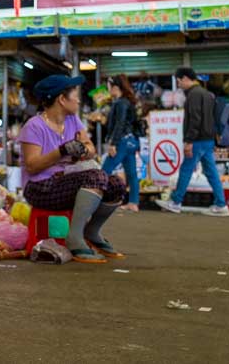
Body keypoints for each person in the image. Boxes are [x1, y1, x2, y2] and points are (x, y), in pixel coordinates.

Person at [19, 75, 126, 264]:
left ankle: (91, 232)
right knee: (96, 177)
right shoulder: (34, 126)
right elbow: (32, 165)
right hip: (40, 187)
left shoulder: (72, 120)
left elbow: (90, 148)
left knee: (116, 184)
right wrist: (61, 151)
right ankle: (74, 238)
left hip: (66, 181)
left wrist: (84, 150)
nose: (78, 99)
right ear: (62, 99)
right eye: (75, 95)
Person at [156, 68, 229, 216]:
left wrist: (189, 141)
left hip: (197, 140)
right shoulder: (207, 94)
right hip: (208, 140)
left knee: (186, 169)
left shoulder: (194, 95)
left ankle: (175, 202)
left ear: (185, 78)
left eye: (178, 81)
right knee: (211, 172)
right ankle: (221, 204)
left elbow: (195, 119)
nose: (178, 85)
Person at [100, 74, 142, 212]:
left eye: (109, 86)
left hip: (122, 141)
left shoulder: (120, 102)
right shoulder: (126, 102)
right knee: (132, 174)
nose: (108, 89)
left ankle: (96, 201)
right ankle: (133, 203)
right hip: (131, 141)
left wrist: (113, 143)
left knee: (105, 171)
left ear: (115, 87)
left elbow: (120, 123)